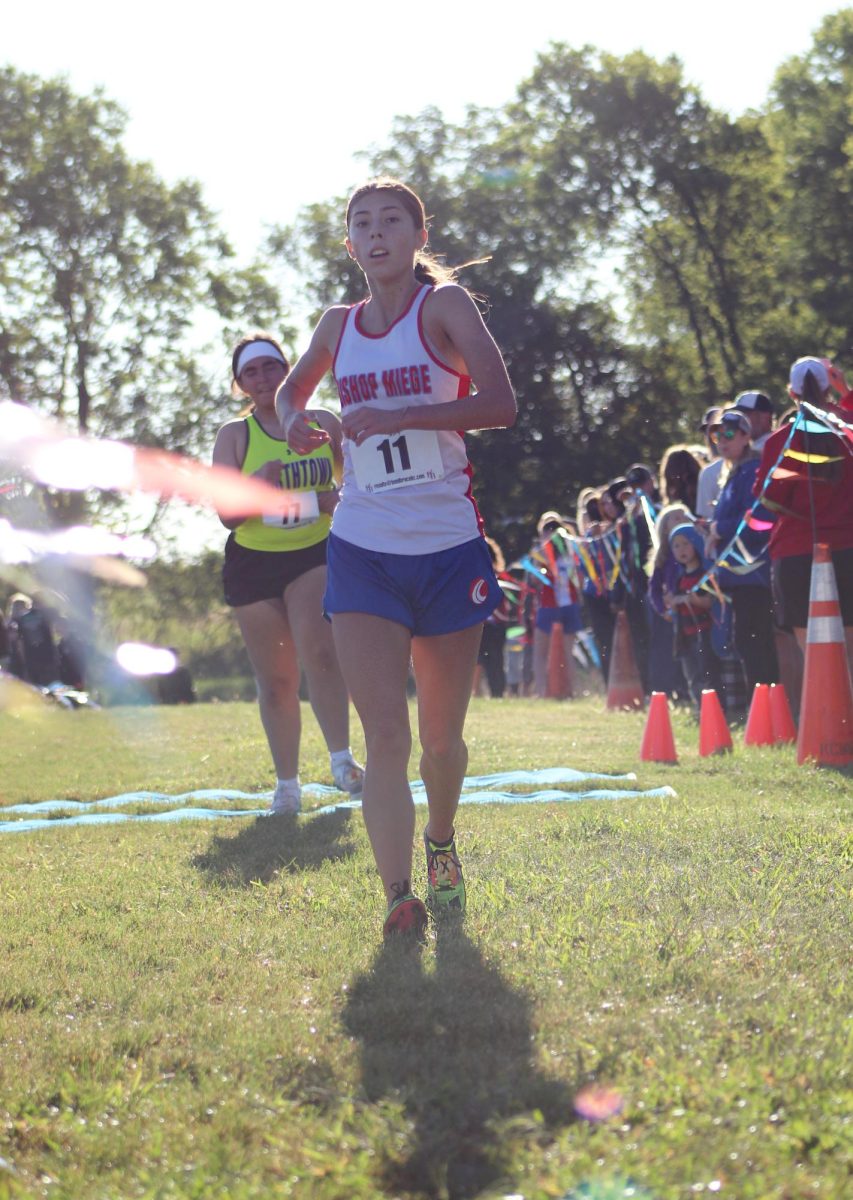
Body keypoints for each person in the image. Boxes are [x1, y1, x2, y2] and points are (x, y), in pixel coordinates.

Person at [275, 177, 516, 938]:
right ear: (349, 246)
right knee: (386, 736)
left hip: (446, 545)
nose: (376, 234)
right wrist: (299, 421)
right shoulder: (336, 324)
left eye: (391, 222)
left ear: (418, 236)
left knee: (440, 743)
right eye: (362, 225)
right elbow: (288, 399)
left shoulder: (443, 308)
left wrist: (402, 412)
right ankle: (396, 894)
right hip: (363, 546)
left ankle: (441, 842)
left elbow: (500, 405)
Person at [212, 331, 363, 816]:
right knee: (275, 681)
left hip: (312, 552)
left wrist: (330, 501)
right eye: (251, 372)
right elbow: (228, 513)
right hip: (254, 562)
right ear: (240, 384)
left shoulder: (323, 423)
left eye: (272, 367)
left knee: (321, 653)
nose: (263, 378)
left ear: (289, 370)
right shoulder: (234, 436)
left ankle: (342, 762)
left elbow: (355, 483)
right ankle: (287, 787)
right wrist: (259, 484)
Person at [755, 356, 853, 678]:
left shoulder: (779, 441)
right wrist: (846, 394)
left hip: (797, 554)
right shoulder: (847, 431)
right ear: (830, 386)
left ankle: (827, 726)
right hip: (847, 549)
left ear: (791, 394)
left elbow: (766, 498)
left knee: (818, 664)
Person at [707, 409, 779, 694]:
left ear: (746, 436)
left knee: (754, 642)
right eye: (716, 435)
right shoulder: (734, 472)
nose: (721, 441)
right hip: (739, 577)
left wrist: (719, 529)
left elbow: (757, 520)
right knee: (748, 642)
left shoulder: (751, 471)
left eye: (728, 434)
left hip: (753, 573)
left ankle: (769, 714)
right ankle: (765, 714)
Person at [665, 523, 721, 709]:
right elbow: (673, 603)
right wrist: (674, 601)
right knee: (692, 675)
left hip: (703, 633)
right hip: (685, 634)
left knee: (707, 672)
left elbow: (708, 602)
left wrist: (689, 599)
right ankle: (701, 709)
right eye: (676, 546)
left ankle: (715, 709)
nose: (682, 550)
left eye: (686, 544)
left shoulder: (705, 574)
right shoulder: (679, 578)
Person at [531, 511, 582, 699]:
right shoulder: (571, 550)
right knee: (568, 653)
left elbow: (536, 581)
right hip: (570, 604)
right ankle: (573, 690)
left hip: (549, 605)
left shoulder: (542, 552)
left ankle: (542, 691)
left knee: (540, 653)